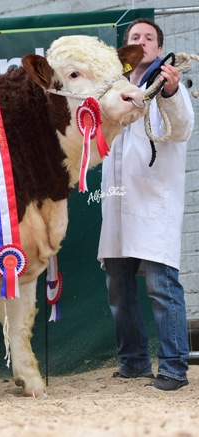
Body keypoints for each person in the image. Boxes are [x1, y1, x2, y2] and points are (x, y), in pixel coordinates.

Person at [97, 18, 195, 391]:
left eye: (148, 38)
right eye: (134, 37)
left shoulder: (169, 84)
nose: (141, 41)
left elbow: (183, 127)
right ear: (126, 49)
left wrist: (168, 93)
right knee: (118, 289)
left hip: (154, 201)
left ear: (157, 49)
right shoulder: (111, 90)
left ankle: (173, 368)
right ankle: (134, 362)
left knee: (161, 286)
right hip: (119, 204)